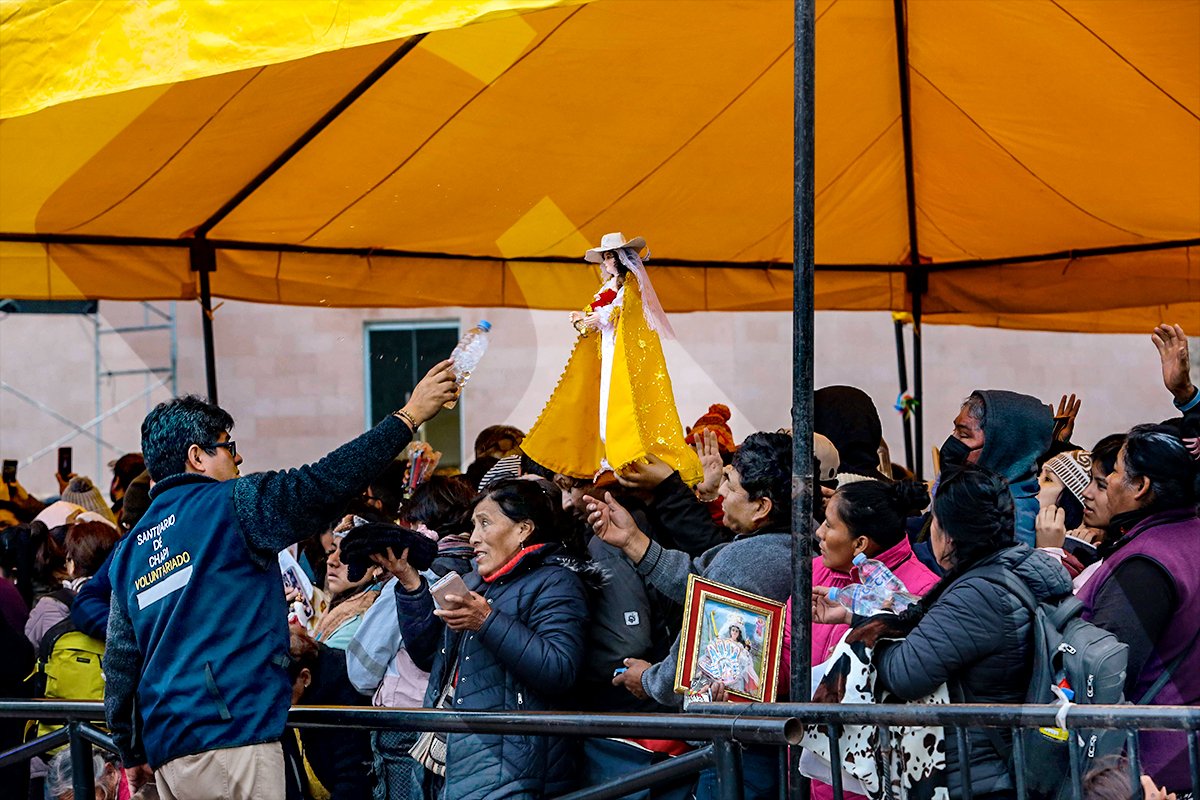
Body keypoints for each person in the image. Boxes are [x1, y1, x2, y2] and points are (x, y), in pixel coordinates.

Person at [104, 360, 458, 800]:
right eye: (227, 446)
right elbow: (323, 482)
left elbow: (121, 665)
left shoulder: (130, 548)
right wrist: (409, 417)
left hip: (169, 752)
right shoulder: (232, 503)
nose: (238, 457)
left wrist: (131, 748)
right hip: (234, 739)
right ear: (196, 456)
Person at [817, 465, 1072, 799]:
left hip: (977, 773)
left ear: (950, 534)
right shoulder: (1002, 572)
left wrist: (870, 633)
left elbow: (906, 672)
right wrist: (856, 616)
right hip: (989, 764)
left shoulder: (980, 594)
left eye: (935, 521)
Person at [589, 432, 794, 800]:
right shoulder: (799, 540)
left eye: (730, 486)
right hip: (774, 739)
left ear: (761, 507)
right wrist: (634, 542)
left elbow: (698, 656)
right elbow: (698, 579)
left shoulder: (745, 562)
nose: (721, 496)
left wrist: (650, 680)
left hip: (741, 745)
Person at [377, 479, 592, 800]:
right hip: (454, 757)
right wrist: (411, 586)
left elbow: (560, 669)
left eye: (485, 523)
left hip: (514, 769)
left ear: (523, 529)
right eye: (473, 525)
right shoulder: (474, 582)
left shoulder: (557, 582)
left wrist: (487, 622)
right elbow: (429, 659)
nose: (474, 538)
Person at [521, 232, 702, 484]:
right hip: (607, 350)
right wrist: (584, 318)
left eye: (608, 257)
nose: (605, 263)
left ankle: (623, 453)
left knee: (620, 401)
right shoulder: (608, 287)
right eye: (604, 258)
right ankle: (609, 452)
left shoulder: (631, 286)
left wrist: (599, 318)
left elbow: (622, 311)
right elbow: (598, 312)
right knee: (605, 400)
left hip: (622, 355)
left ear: (619, 259)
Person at [1078, 424, 1200, 792]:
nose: (1106, 483)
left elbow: (1106, 671)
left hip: (1148, 769)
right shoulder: (1188, 536)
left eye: (1113, 472)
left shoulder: (1146, 563)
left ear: (1140, 486)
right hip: (1182, 754)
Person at [940, 390, 1054, 546]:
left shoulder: (1013, 519)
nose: (953, 442)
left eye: (964, 435)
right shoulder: (977, 495)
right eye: (955, 431)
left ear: (1000, 448)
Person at [284, 625, 372, 800]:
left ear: (305, 678)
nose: (278, 700)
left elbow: (353, 775)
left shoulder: (342, 690)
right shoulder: (289, 693)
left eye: (283, 692)